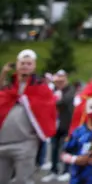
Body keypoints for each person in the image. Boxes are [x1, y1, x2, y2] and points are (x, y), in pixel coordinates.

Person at [0, 50, 57, 184]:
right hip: (2, 142)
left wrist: (27, 101)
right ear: (17, 64)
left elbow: (48, 110)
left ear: (34, 66)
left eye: (29, 63)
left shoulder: (41, 88)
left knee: (23, 180)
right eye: (22, 63)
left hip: (26, 143)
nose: (25, 66)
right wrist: (3, 73)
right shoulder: (9, 87)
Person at [42, 70, 77, 182]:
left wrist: (51, 101)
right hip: (54, 125)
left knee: (65, 149)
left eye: (62, 79)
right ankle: (54, 171)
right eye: (58, 79)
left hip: (67, 124)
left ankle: (66, 171)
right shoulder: (53, 89)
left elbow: (64, 101)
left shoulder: (70, 89)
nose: (60, 82)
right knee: (54, 149)